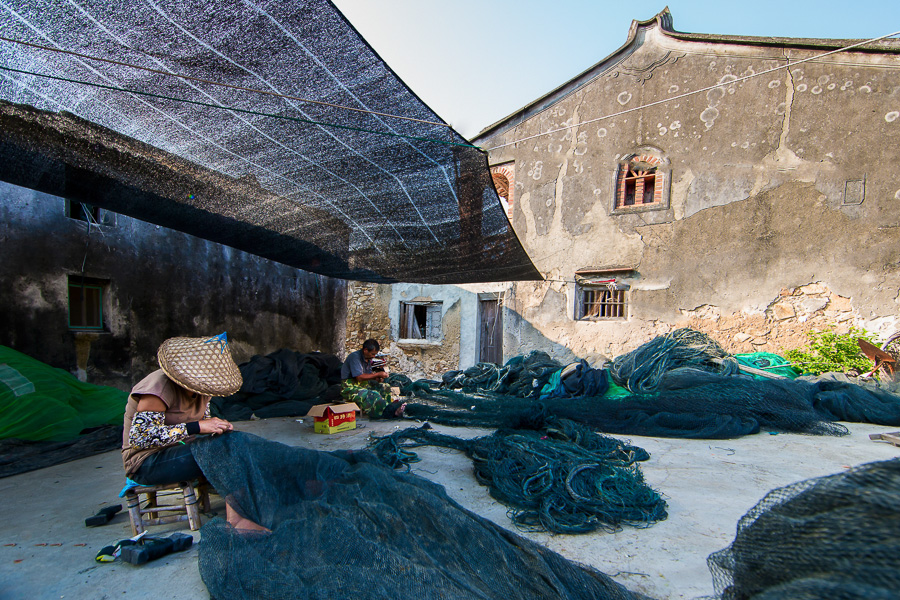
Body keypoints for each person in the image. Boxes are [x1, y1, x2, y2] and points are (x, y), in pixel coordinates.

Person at [121, 332, 267, 532]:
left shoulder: (203, 391)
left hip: (178, 451)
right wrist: (197, 427)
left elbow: (202, 425)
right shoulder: (157, 387)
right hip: (147, 463)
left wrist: (217, 428)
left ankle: (251, 507)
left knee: (234, 443)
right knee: (221, 452)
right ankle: (237, 521)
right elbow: (141, 438)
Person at [340, 338, 405, 419]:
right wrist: (377, 374)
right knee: (373, 394)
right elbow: (359, 377)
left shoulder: (367, 359)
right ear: (365, 350)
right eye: (372, 354)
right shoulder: (355, 357)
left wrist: (377, 378)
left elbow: (368, 375)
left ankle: (389, 410)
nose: (373, 356)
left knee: (385, 387)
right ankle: (381, 414)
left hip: (363, 384)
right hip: (349, 388)